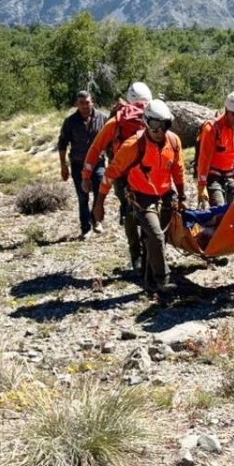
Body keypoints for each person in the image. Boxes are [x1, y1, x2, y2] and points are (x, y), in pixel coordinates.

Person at [92, 99, 187, 302]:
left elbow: (178, 170)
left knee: (153, 240)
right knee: (156, 236)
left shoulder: (174, 142)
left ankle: (150, 284)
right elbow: (111, 173)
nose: (159, 130)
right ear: (146, 123)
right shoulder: (132, 146)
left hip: (165, 195)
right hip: (141, 197)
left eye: (164, 125)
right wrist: (99, 203)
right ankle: (163, 281)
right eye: (155, 125)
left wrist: (181, 195)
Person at [82, 81, 152, 270]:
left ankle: (136, 256)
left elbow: (96, 148)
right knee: (150, 211)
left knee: (129, 210)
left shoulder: (117, 121)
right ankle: (149, 255)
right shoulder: (154, 118)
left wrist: (86, 174)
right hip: (148, 172)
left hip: (121, 174)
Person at [57, 90, 109, 239]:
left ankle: (96, 220)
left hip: (98, 163)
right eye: (81, 103)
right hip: (78, 164)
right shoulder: (70, 121)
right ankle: (85, 228)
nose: (85, 106)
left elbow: (111, 140)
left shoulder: (103, 118)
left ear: (92, 102)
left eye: (87, 103)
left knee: (100, 191)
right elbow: (62, 143)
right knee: (82, 196)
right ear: (76, 104)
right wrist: (63, 165)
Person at [195, 91, 234, 207]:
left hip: (231, 175)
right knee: (220, 210)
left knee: (232, 211)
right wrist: (201, 185)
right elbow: (204, 158)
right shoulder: (212, 128)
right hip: (213, 176)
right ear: (227, 110)